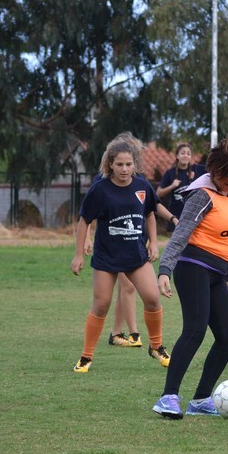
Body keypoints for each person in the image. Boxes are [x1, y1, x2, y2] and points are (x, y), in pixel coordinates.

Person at [152, 136, 228, 419]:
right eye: (227, 174)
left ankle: (201, 399)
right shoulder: (201, 195)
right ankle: (168, 397)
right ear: (214, 169)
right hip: (193, 266)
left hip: (217, 273)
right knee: (195, 330)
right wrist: (164, 270)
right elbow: (180, 234)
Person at [70, 133, 172, 373]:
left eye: (128, 164)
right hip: (107, 257)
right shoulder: (100, 189)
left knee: (153, 298)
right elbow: (84, 221)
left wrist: (153, 242)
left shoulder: (142, 186)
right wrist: (78, 254)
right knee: (101, 305)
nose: (124, 169)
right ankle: (86, 357)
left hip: (135, 256)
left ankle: (156, 347)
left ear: (135, 164)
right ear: (110, 165)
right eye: (119, 165)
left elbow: (150, 213)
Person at [158, 142, 205, 227]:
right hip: (176, 215)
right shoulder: (169, 173)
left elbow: (212, 168)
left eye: (188, 154)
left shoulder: (197, 169)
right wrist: (172, 186)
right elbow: (158, 193)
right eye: (183, 153)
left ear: (191, 157)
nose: (185, 156)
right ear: (177, 156)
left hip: (193, 214)